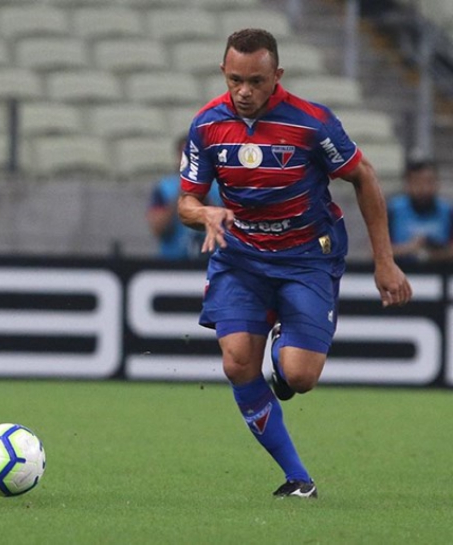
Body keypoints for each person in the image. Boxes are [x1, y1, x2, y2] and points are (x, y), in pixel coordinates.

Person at [177, 29, 412, 498]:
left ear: (277, 76)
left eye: (256, 81)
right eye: (236, 80)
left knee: (300, 377)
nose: (244, 91)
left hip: (307, 257)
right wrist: (205, 212)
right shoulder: (206, 125)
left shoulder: (311, 123)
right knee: (237, 362)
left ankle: (286, 351)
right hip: (240, 259)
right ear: (224, 72)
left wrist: (384, 261)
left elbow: (362, 177)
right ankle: (298, 479)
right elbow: (187, 200)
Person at [147, 136, 221, 260]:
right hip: (174, 265)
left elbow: (230, 230)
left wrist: (204, 196)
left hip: (214, 264)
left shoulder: (220, 188)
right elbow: (157, 229)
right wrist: (180, 196)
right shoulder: (164, 188)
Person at [387, 158, 453, 263]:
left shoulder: (447, 211)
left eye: (429, 181)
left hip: (440, 275)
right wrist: (410, 248)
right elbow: (375, 252)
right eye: (418, 182)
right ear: (407, 184)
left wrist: (433, 254)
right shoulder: (393, 210)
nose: (424, 188)